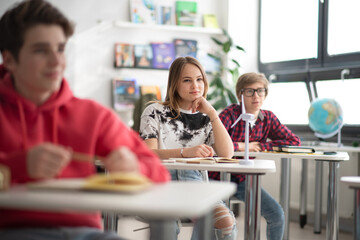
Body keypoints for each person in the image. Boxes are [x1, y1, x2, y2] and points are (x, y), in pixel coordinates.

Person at [0, 0, 170, 239]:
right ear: (9, 60)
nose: (56, 61)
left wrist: (135, 168)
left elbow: (159, 173)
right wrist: (20, 165)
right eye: (41, 50)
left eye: (60, 49)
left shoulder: (92, 115)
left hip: (85, 233)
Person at [139, 56, 237, 240]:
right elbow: (148, 154)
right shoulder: (154, 111)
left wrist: (212, 113)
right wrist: (185, 153)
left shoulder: (206, 116)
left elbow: (227, 153)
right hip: (161, 183)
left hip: (195, 183)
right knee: (166, 228)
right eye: (187, 80)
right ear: (174, 84)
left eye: (199, 79)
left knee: (225, 222)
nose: (195, 86)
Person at [209, 72, 301, 240]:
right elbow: (212, 143)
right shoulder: (230, 113)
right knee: (217, 222)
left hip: (243, 180)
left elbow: (293, 141)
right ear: (240, 95)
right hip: (215, 178)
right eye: (250, 91)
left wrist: (261, 146)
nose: (256, 96)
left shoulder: (268, 118)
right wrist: (244, 146)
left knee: (277, 214)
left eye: (260, 90)